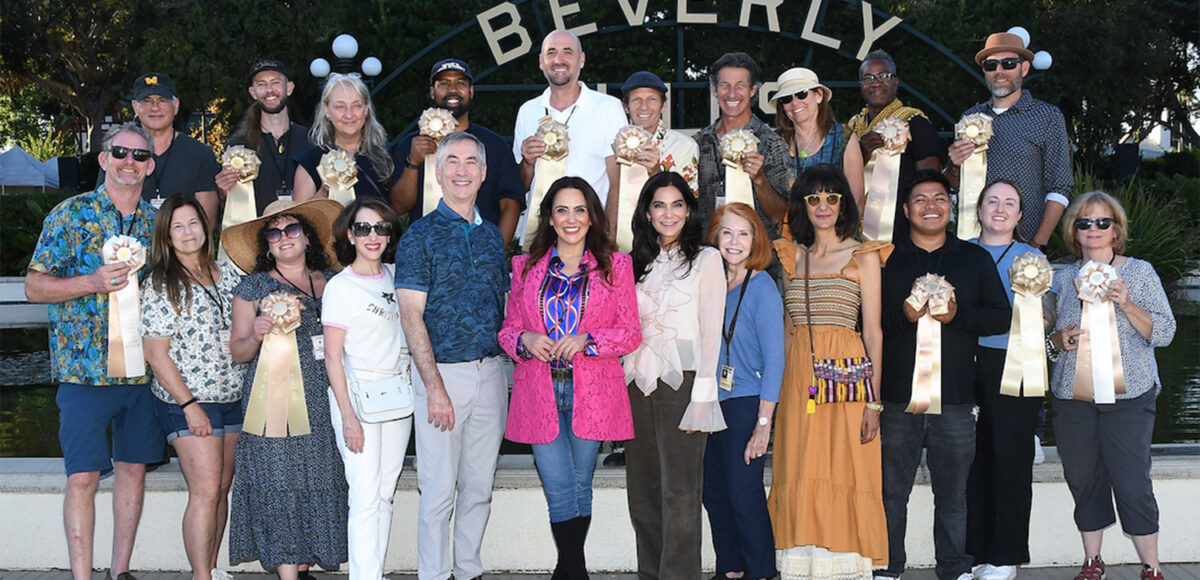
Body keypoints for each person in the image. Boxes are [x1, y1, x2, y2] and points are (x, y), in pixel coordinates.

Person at [26, 122, 166, 580]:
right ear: (104, 159)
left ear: (150, 166)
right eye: (121, 153)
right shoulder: (70, 214)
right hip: (83, 372)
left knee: (133, 471)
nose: (130, 163)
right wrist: (91, 282)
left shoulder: (158, 224)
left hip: (142, 373)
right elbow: (34, 287)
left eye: (140, 156)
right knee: (83, 476)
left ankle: (119, 572)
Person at [498, 176, 641, 578]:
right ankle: (574, 569)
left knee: (580, 484)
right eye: (562, 210)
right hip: (539, 390)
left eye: (580, 209)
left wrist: (587, 341)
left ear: (592, 216)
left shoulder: (616, 266)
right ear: (549, 217)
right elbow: (507, 330)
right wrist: (525, 339)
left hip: (591, 391)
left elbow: (630, 332)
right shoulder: (525, 267)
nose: (571, 218)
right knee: (559, 486)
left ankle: (569, 570)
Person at [878, 170, 1011, 580]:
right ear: (906, 209)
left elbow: (1001, 317)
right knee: (891, 491)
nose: (930, 206)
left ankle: (954, 568)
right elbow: (866, 323)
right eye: (920, 199)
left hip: (955, 396)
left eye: (939, 198)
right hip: (896, 398)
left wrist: (959, 316)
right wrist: (902, 316)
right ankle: (888, 566)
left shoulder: (974, 259)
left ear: (950, 207)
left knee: (954, 493)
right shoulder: (885, 259)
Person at [395, 131, 510, 580]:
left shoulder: (491, 238)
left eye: (471, 162)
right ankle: (434, 574)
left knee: (479, 487)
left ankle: (468, 570)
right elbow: (411, 317)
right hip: (441, 376)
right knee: (438, 490)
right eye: (453, 162)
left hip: (490, 374)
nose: (462, 170)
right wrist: (435, 388)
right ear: (438, 172)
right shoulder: (419, 237)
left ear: (483, 173)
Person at [768, 164, 889, 579]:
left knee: (843, 467)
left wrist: (874, 402)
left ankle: (843, 567)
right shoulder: (791, 256)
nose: (823, 206)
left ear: (844, 204)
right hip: (799, 381)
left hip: (847, 382)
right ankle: (801, 567)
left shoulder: (863, 255)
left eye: (832, 197)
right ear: (802, 205)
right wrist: (776, 396)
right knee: (799, 466)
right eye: (813, 198)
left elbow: (873, 333)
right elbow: (788, 330)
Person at [1047, 191, 1175, 580]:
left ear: (1116, 230)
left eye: (1103, 222)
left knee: (1132, 482)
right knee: (1082, 479)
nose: (1094, 229)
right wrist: (1058, 341)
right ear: (1074, 231)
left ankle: (1151, 566)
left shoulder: (1140, 272)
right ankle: (1093, 561)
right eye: (1084, 222)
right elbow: (1045, 342)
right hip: (1072, 397)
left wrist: (1127, 303)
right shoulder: (1060, 278)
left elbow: (1165, 332)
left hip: (1130, 395)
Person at [222, 198, 349, 578]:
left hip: (326, 398)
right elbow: (238, 352)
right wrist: (256, 335)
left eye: (291, 229)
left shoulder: (336, 283)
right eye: (274, 233)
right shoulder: (251, 289)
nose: (284, 237)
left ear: (308, 237)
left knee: (320, 479)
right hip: (272, 405)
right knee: (277, 482)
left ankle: (303, 568)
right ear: (267, 245)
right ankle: (288, 574)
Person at [623, 171, 727, 579]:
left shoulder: (707, 259)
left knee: (680, 492)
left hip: (683, 384)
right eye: (659, 205)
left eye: (677, 204)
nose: (669, 214)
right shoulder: (633, 262)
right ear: (647, 213)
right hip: (636, 384)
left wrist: (703, 396)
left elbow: (712, 331)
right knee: (642, 493)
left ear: (689, 210)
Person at [140, 194, 243, 580]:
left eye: (193, 223)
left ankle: (211, 569)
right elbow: (155, 354)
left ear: (206, 225)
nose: (187, 233)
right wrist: (190, 406)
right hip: (188, 401)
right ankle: (201, 576)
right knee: (205, 491)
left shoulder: (228, 274)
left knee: (221, 487)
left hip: (232, 395)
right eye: (177, 226)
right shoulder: (160, 282)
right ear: (166, 235)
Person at [321, 197, 411, 580]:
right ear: (350, 235)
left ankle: (374, 571)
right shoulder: (340, 287)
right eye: (363, 228)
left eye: (380, 228)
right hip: (357, 398)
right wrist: (348, 417)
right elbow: (332, 357)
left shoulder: (398, 276)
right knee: (363, 495)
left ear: (389, 234)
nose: (372, 236)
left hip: (397, 397)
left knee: (385, 493)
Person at [964, 180, 1047, 580]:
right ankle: (975, 551)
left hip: (1015, 363)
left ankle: (1005, 555)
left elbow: (1047, 314)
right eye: (992, 201)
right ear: (978, 209)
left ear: (1019, 215)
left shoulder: (1033, 258)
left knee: (1010, 461)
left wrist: (1042, 317)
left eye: (1009, 203)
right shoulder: (959, 252)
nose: (1000, 209)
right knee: (970, 460)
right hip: (961, 362)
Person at [702, 202, 784, 580]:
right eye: (727, 232)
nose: (734, 241)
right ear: (715, 237)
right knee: (715, 493)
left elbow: (775, 360)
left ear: (756, 240)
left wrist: (763, 425)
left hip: (746, 403)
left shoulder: (762, 286)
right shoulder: (713, 284)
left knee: (743, 494)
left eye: (743, 234)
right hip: (712, 402)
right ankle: (731, 569)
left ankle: (762, 572)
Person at [947, 32, 1072, 247]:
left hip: (1024, 244)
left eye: (1008, 63)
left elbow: (1060, 186)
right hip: (973, 242)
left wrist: (1037, 244)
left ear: (1024, 68)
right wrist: (953, 165)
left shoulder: (1047, 116)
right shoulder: (969, 119)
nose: (999, 71)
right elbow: (953, 185)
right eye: (991, 65)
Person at [392, 58, 526, 245]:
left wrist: (496, 252)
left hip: (478, 252)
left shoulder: (494, 145)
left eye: (460, 83)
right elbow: (399, 207)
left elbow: (510, 204)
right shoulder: (412, 144)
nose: (452, 89)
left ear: (471, 91)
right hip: (424, 253)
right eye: (444, 83)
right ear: (432, 92)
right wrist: (413, 162)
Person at [514, 30, 629, 209]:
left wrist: (609, 226)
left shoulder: (609, 108)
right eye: (551, 52)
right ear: (541, 62)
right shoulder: (527, 111)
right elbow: (518, 188)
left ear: (581, 60)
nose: (558, 60)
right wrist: (528, 162)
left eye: (567, 52)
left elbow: (619, 181)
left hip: (590, 223)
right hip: (537, 225)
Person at [847, 49, 943, 245]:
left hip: (901, 230)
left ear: (896, 82)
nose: (875, 82)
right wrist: (860, 155)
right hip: (856, 228)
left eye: (884, 76)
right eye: (868, 78)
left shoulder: (915, 122)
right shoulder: (852, 126)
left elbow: (930, 182)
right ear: (860, 84)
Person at [695, 52, 790, 236]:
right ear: (715, 89)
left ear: (752, 90)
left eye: (740, 86)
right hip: (707, 250)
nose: (732, 94)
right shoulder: (698, 143)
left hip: (758, 251)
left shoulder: (772, 144)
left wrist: (760, 179)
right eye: (725, 85)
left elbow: (777, 215)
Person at [218, 59, 315, 215]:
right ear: (253, 92)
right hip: (256, 229)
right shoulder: (238, 147)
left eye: (275, 82)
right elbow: (231, 210)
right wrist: (223, 194)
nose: (269, 90)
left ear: (289, 88)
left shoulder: (311, 141)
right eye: (261, 84)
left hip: (303, 228)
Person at [127, 72, 220, 222]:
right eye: (147, 101)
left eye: (162, 101)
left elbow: (206, 221)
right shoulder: (120, 153)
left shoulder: (200, 154)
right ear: (135, 107)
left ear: (175, 105)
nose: (155, 108)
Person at [294, 74, 398, 202]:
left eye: (356, 105)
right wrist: (324, 191)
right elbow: (300, 213)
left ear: (366, 109)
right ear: (326, 110)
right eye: (340, 107)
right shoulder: (309, 162)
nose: (349, 115)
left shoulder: (389, 157)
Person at [772, 67, 865, 210]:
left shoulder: (843, 137)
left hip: (836, 224)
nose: (795, 102)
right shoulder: (775, 142)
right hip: (788, 224)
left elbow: (856, 203)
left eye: (801, 94)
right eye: (786, 98)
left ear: (819, 95)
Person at [620, 70, 699, 193]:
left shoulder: (685, 146)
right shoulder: (615, 144)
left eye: (652, 99)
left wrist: (656, 173)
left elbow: (688, 199)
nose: (644, 107)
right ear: (626, 107)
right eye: (636, 99)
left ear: (663, 106)